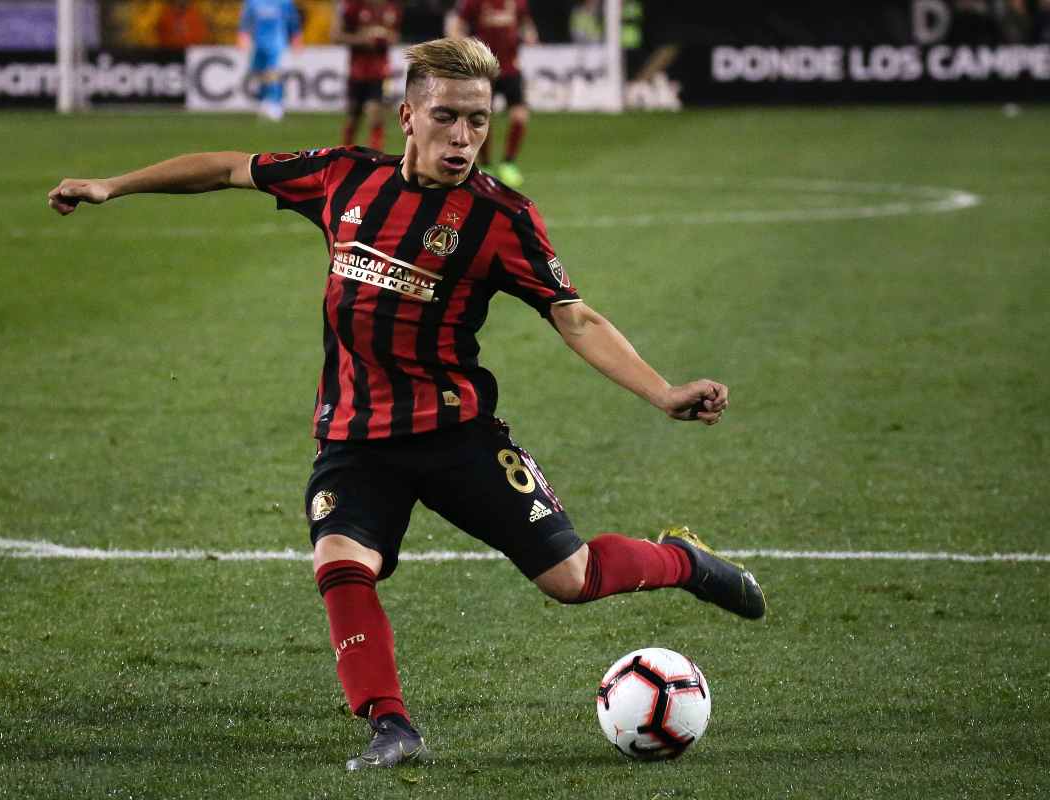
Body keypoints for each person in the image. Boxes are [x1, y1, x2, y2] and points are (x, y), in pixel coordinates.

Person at [47, 36, 764, 771]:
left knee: (571, 579)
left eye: (479, 121)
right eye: (448, 117)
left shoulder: (500, 218)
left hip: (458, 435)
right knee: (340, 561)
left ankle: (683, 561)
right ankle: (391, 726)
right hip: (356, 436)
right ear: (408, 116)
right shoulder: (342, 179)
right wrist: (114, 185)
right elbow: (231, 167)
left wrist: (662, 392)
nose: (464, 137)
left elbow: (572, 315)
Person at [446, 0, 536, 187]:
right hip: (484, 70)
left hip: (511, 69)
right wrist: (463, 45)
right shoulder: (474, 2)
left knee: (520, 115)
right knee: (482, 118)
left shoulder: (518, 3)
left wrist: (529, 34)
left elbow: (527, 25)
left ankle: (508, 163)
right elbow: (456, 26)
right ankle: (485, 165)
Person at [331, 0, 402, 151]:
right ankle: (344, 154)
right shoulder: (352, 6)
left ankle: (376, 156)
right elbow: (336, 36)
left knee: (376, 115)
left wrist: (385, 38)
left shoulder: (392, 8)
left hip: (381, 73)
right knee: (353, 117)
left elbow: (395, 36)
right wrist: (361, 39)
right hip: (357, 72)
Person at [237, 0, 301, 120]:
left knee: (272, 73)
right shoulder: (253, 2)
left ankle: (275, 103)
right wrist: (243, 35)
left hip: (277, 42)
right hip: (258, 44)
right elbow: (246, 20)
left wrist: (296, 38)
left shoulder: (284, 2)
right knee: (258, 72)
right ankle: (264, 100)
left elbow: (293, 21)